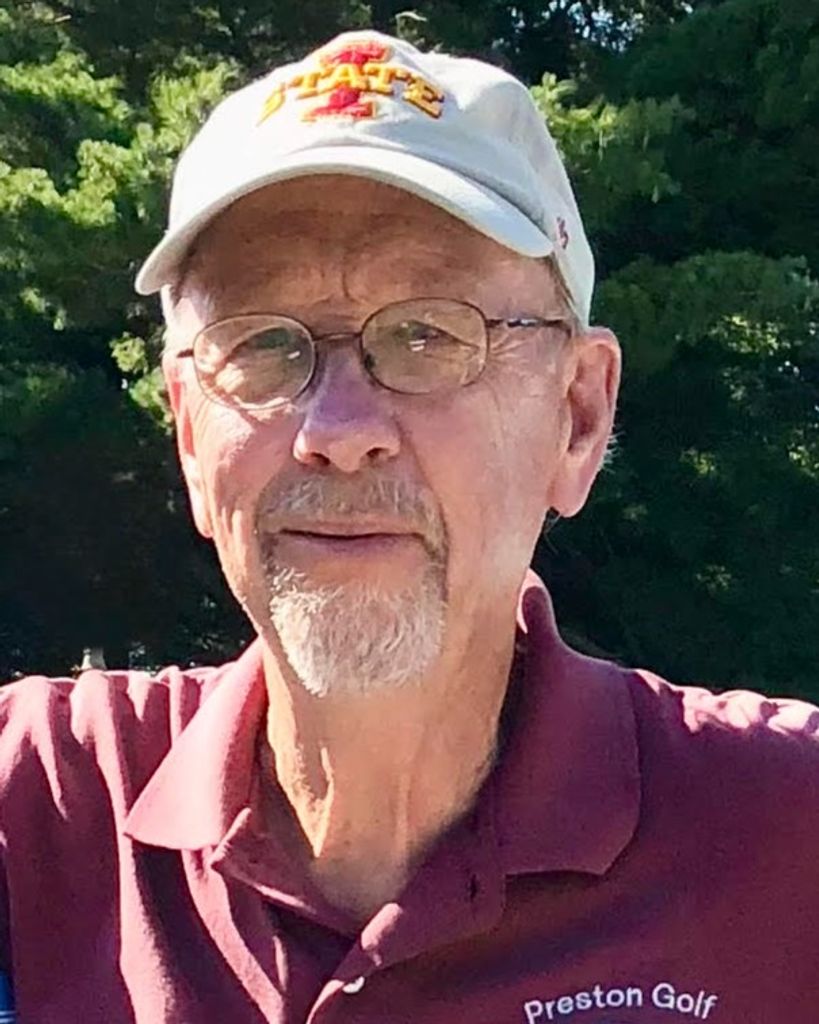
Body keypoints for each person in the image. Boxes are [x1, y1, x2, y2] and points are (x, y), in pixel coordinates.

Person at [1, 29, 817, 1024]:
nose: (339, 433)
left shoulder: (787, 832)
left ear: (578, 417)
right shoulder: (41, 808)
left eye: (428, 333)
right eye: (263, 345)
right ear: (188, 435)